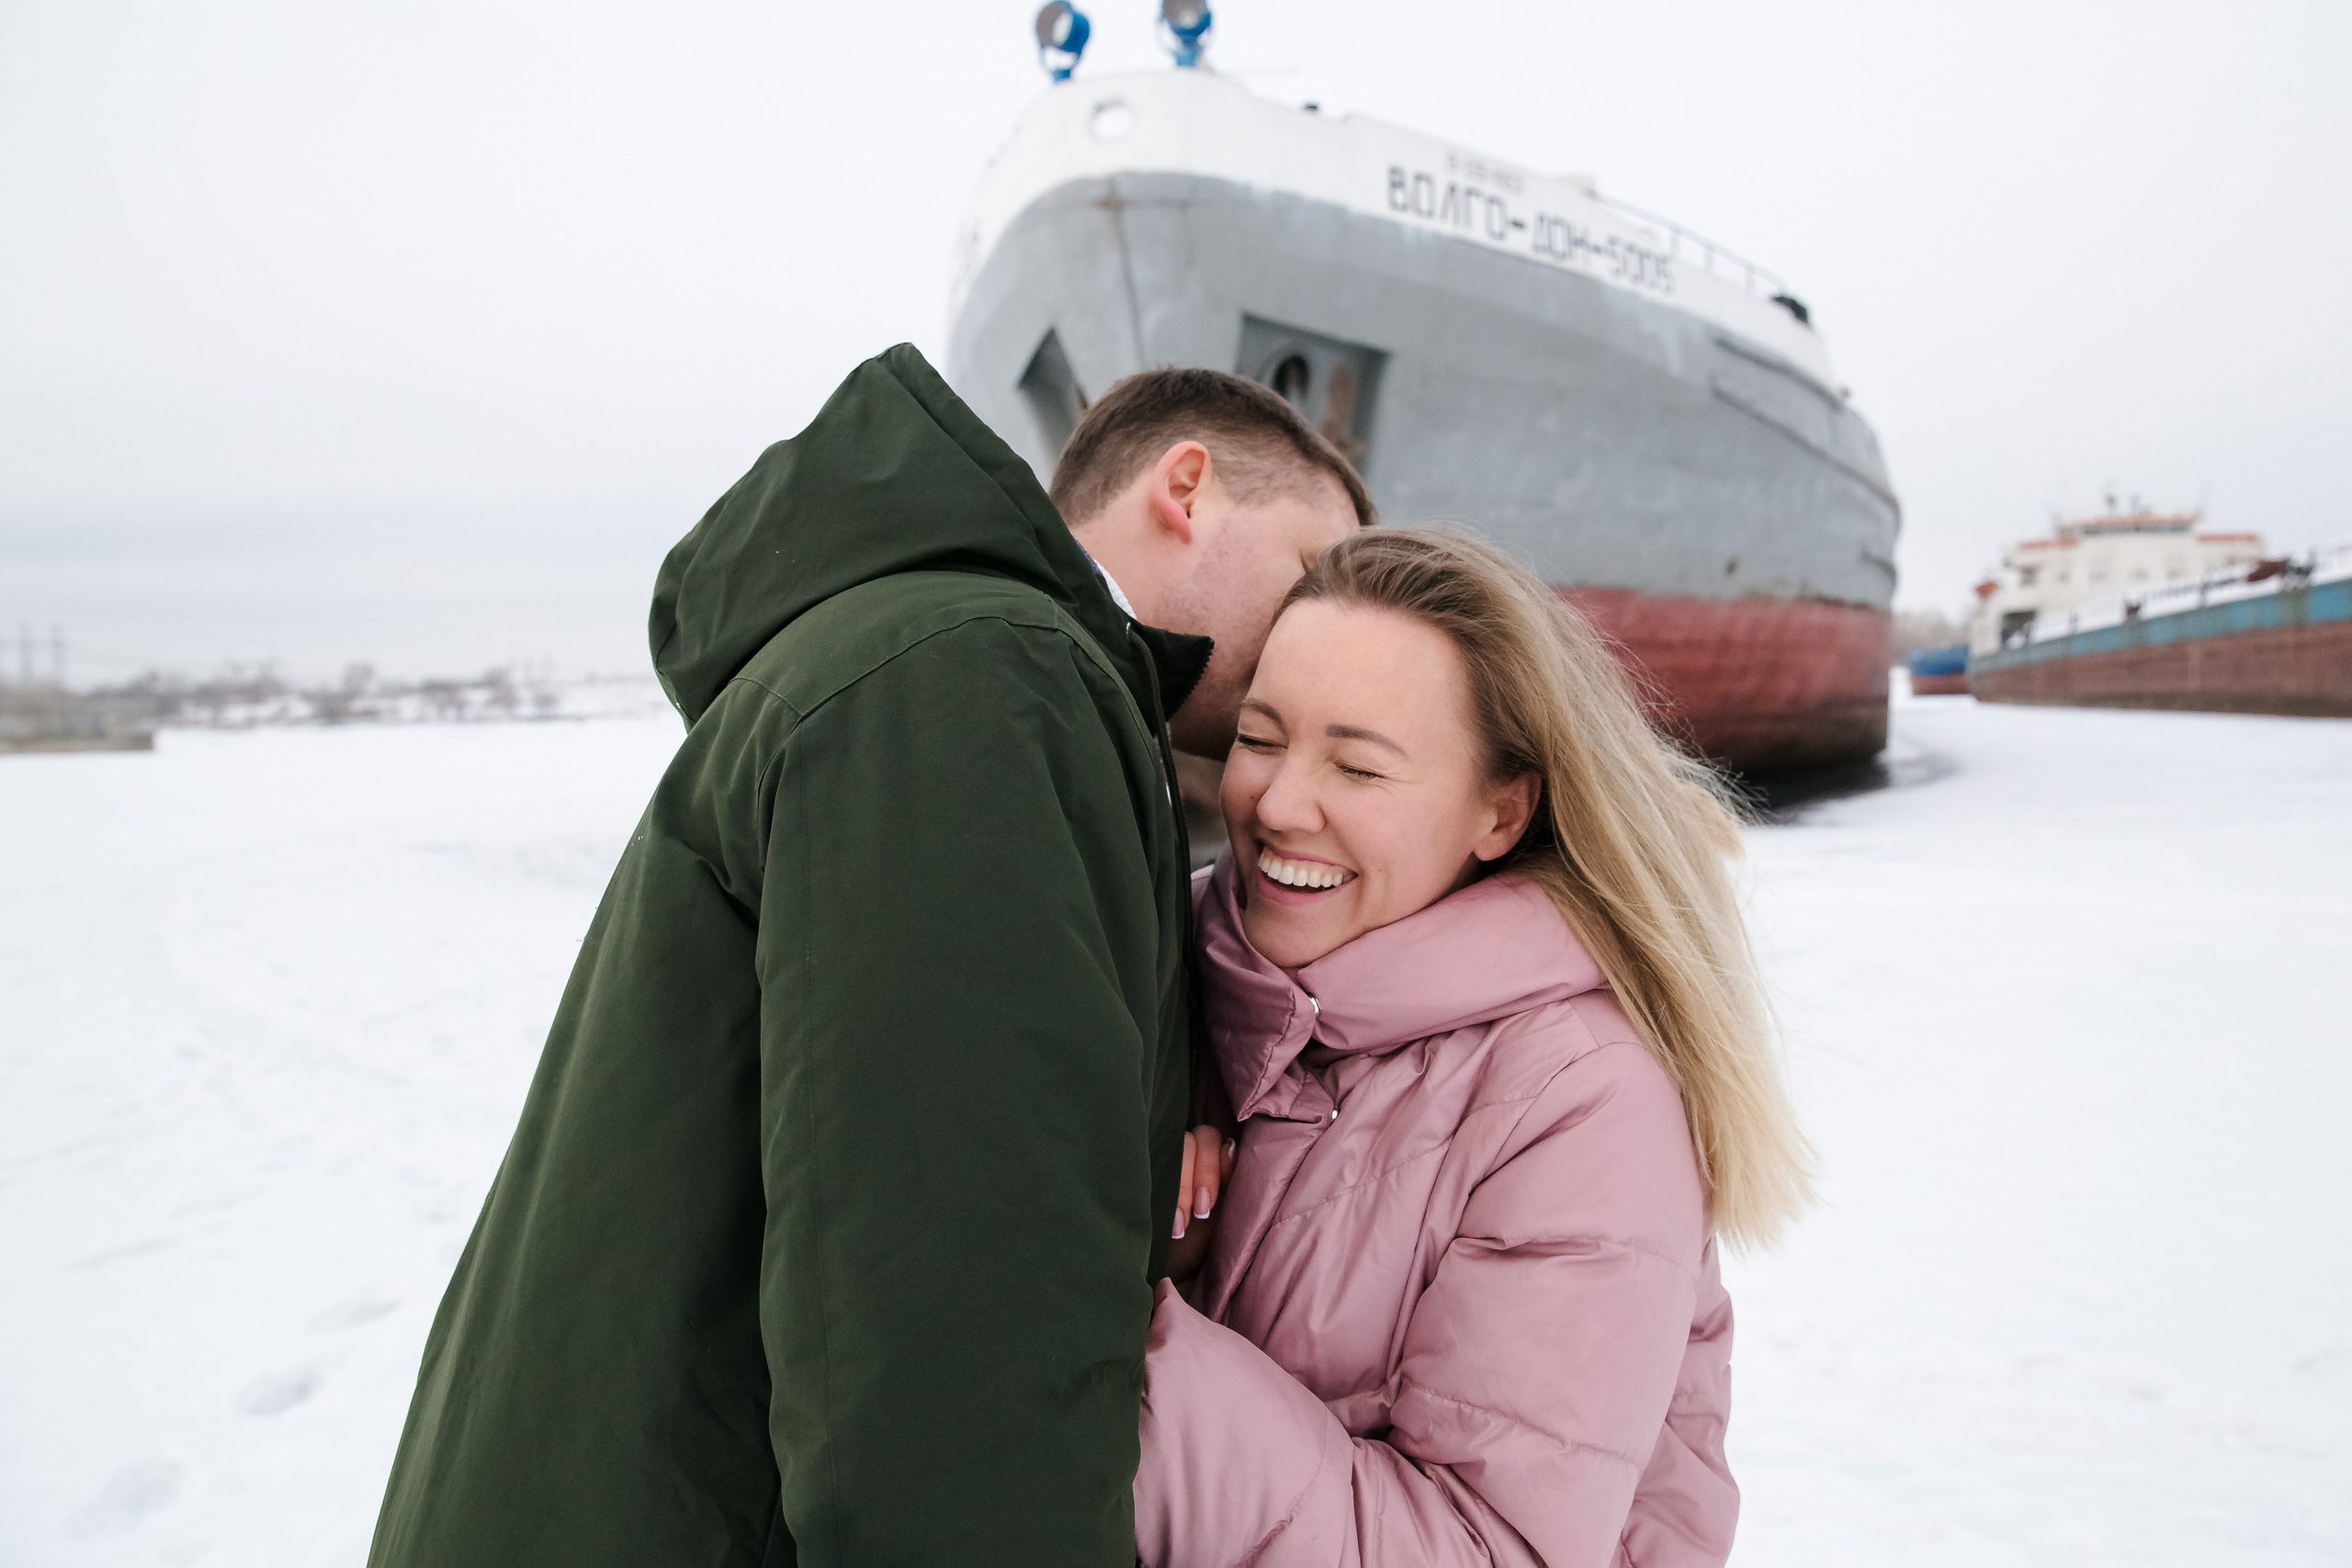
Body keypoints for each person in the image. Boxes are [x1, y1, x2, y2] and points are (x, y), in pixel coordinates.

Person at [368, 344, 1366, 1568]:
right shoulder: (988, 681)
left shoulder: (939, 661)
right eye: (1312, 569)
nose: (1323, 627)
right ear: (1188, 484)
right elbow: (951, 1352)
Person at [1135, 528, 1815, 1567]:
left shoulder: (1582, 1103)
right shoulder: (1164, 959)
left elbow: (1493, 1549)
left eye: (1357, 766)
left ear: (1500, 812)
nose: (1275, 804)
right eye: (1260, 739)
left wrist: (1111, 1339)